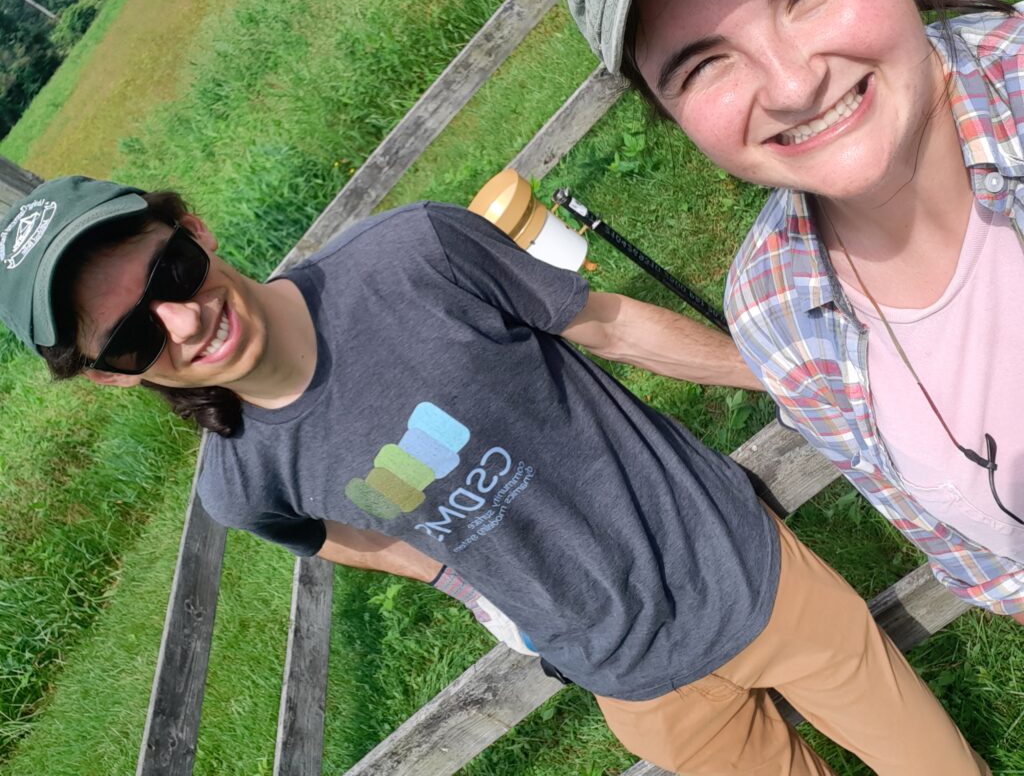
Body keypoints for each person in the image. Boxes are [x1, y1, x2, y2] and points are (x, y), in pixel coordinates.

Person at [0, 174, 988, 775]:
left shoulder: (417, 251)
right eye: (132, 336)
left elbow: (606, 323)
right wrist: (452, 576)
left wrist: (804, 378)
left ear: (196, 232)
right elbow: (330, 534)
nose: (184, 322)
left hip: (747, 574)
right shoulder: (239, 483)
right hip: (638, 689)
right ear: (104, 375)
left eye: (169, 275)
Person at [563, 0, 1024, 765]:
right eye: (702, 61)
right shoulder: (773, 309)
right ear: (671, 113)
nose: (787, 81)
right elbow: (962, 545)